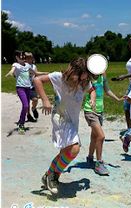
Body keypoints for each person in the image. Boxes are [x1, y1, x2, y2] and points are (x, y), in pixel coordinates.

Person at [33, 57, 96, 194]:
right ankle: (53, 177)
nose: (82, 81)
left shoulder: (84, 82)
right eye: (79, 78)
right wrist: (44, 100)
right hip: (60, 117)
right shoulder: (59, 77)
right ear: (73, 71)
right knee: (74, 149)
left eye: (84, 79)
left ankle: (48, 176)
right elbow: (37, 80)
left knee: (64, 152)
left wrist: (92, 99)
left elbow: (92, 90)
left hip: (73, 121)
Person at [84, 72, 123, 175]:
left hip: (100, 111)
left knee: (94, 136)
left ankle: (90, 158)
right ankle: (99, 164)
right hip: (90, 111)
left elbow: (107, 90)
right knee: (101, 136)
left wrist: (117, 99)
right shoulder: (87, 77)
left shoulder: (102, 76)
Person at [5, 50, 33, 134]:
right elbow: (12, 70)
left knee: (26, 107)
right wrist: (10, 73)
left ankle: (21, 122)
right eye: (21, 56)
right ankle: (21, 124)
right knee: (25, 106)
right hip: (20, 88)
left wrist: (47, 74)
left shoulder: (27, 65)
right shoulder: (16, 65)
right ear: (17, 57)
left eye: (23, 56)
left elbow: (35, 73)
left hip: (28, 88)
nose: (23, 57)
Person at [25, 52, 48, 122]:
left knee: (35, 99)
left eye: (31, 58)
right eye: (28, 58)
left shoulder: (34, 66)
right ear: (25, 59)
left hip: (32, 86)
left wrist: (44, 74)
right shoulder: (23, 65)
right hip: (24, 86)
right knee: (26, 103)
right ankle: (28, 115)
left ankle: (34, 108)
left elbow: (36, 74)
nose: (30, 59)